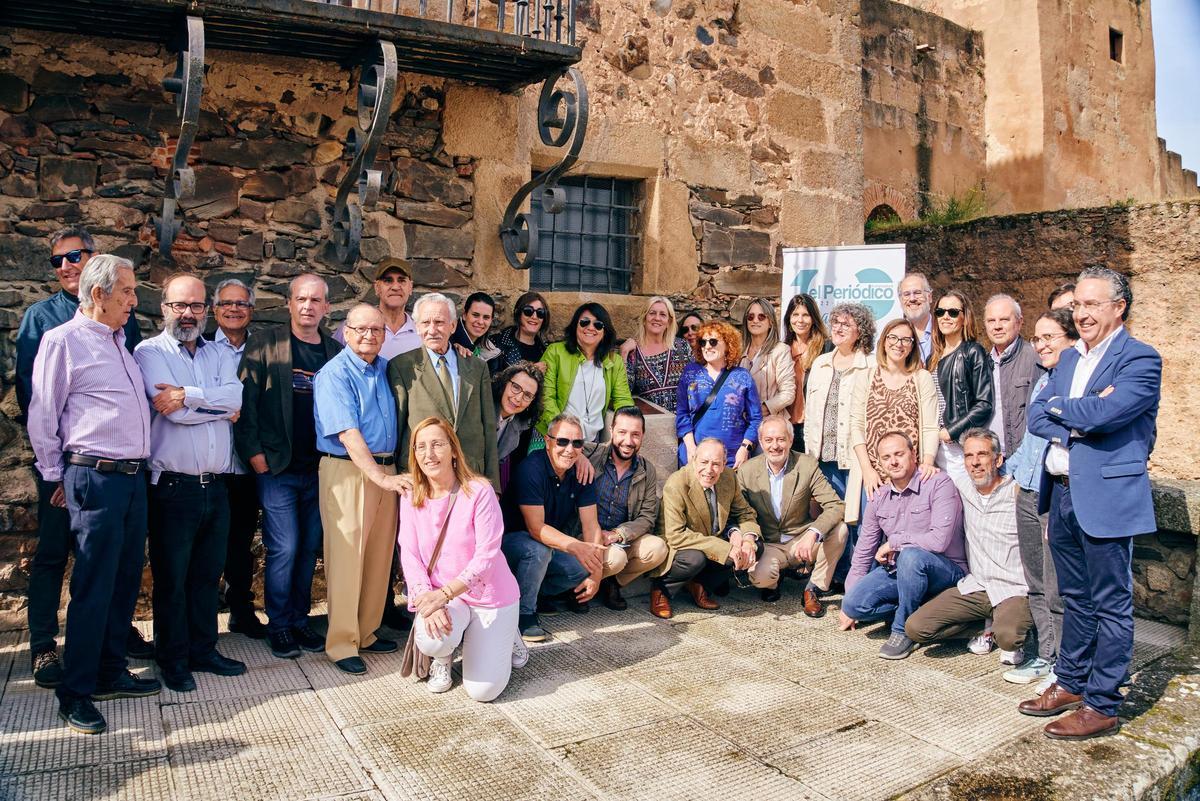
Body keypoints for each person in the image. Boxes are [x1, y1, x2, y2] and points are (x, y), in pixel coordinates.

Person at [1020, 267, 1161, 741]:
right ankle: (1071, 682)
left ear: (1118, 308)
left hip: (1106, 497)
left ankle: (1102, 704)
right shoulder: (1067, 359)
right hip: (1061, 492)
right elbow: (1036, 415)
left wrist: (1068, 409)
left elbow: (1108, 414)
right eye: (1077, 304)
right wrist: (1078, 416)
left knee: (1111, 605)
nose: (1081, 313)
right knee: (1074, 598)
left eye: (1092, 304)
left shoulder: (1140, 358)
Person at [28, 254, 160, 735]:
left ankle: (109, 671)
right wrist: (55, 477)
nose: (134, 299)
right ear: (99, 293)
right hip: (95, 477)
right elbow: (43, 414)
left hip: (132, 478)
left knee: (124, 580)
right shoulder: (62, 341)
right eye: (127, 291)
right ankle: (76, 692)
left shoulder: (121, 342)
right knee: (93, 584)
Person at [134, 274, 246, 692]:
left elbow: (235, 399)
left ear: (206, 311)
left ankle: (204, 649)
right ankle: (173, 659)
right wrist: (210, 405)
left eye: (196, 306)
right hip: (173, 487)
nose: (188, 313)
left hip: (216, 484)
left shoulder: (219, 352)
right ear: (164, 307)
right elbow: (174, 413)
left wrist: (187, 394)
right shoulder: (149, 352)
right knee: (173, 579)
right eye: (179, 305)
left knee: (206, 575)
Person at [235, 273, 342, 659]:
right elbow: (244, 400)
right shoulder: (266, 343)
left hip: (320, 469)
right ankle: (279, 625)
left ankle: (299, 619)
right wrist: (254, 454)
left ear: (326, 307)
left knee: (309, 547)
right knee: (285, 547)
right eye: (301, 299)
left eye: (315, 300)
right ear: (289, 303)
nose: (308, 306)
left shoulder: (334, 351)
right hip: (277, 468)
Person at [400, 417, 523, 700]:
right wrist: (427, 600)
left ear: (454, 450)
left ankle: (508, 635)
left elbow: (486, 557)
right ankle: (443, 657)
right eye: (421, 447)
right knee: (432, 640)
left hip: (489, 596)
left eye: (437, 444)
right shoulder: (410, 496)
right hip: (447, 598)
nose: (429, 454)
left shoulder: (479, 491)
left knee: (483, 692)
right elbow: (409, 554)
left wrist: (442, 595)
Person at [314, 304, 405, 675]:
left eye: (377, 330)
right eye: (361, 329)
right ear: (346, 333)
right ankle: (341, 643)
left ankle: (366, 631)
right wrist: (379, 477)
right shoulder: (334, 374)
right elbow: (348, 433)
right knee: (347, 559)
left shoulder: (385, 368)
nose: (369, 335)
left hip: (387, 469)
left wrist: (387, 475)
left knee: (379, 557)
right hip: (348, 470)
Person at [904, 429, 1033, 669]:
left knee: (1009, 638)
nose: (975, 462)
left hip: (1013, 588)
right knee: (916, 628)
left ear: (998, 459)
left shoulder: (1017, 493)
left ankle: (1007, 626)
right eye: (968, 456)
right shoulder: (961, 486)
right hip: (977, 586)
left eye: (982, 454)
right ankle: (983, 627)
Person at [1001, 308, 1076, 689]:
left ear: (1071, 340)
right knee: (1034, 581)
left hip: (1053, 493)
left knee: (1055, 585)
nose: (1041, 345)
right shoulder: (1043, 379)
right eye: (1038, 338)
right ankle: (1045, 655)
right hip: (1028, 489)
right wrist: (1009, 470)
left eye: (1050, 337)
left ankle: (1064, 663)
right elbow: (1033, 438)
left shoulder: (1074, 382)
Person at [840, 432, 966, 660]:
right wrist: (848, 604)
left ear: (913, 454)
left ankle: (902, 630)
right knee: (854, 604)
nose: (893, 462)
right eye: (886, 457)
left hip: (946, 571)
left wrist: (895, 542)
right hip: (901, 572)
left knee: (910, 556)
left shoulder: (938, 483)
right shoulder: (879, 496)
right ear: (879, 462)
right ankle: (918, 608)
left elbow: (939, 541)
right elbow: (864, 551)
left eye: (899, 454)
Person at [500, 414, 606, 642]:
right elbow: (536, 528)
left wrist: (596, 573)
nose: (569, 449)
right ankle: (524, 614)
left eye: (577, 443)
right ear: (548, 442)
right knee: (538, 550)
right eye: (562, 441)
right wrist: (576, 546)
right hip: (511, 544)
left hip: (548, 544)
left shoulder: (582, 472)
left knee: (582, 566)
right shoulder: (531, 468)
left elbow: (591, 525)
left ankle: (534, 593)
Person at [205, 278, 265, 639]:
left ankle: (241, 609)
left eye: (241, 304)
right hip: (209, 463)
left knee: (242, 541)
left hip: (245, 464)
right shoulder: (200, 349)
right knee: (205, 543)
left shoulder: (262, 349)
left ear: (251, 311)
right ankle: (200, 618)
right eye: (226, 303)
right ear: (215, 310)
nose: (233, 309)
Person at [388, 292, 499, 487]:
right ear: (417, 327)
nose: (432, 330)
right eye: (425, 323)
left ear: (453, 326)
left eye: (439, 322)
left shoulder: (477, 367)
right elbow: (397, 427)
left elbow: (489, 427)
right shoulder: (402, 366)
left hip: (471, 475)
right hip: (423, 476)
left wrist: (493, 484)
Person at [738, 417, 846, 615]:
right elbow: (740, 513)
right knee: (761, 577)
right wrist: (748, 539)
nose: (775, 446)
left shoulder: (806, 465)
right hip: (770, 544)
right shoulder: (747, 471)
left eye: (781, 439)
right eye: (768, 440)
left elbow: (835, 505)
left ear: (790, 440)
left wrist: (813, 533)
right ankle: (774, 580)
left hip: (801, 540)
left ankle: (813, 588)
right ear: (761, 442)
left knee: (841, 530)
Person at [804, 302, 876, 584]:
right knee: (832, 518)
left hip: (855, 457)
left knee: (859, 518)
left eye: (847, 324)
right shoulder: (820, 364)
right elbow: (810, 414)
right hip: (823, 457)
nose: (839, 328)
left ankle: (859, 578)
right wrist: (810, 456)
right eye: (835, 322)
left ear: (861, 331)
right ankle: (835, 574)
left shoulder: (870, 365)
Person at [652, 439, 761, 619]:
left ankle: (699, 584)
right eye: (704, 462)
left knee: (753, 549)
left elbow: (745, 512)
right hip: (679, 545)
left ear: (724, 464)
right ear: (694, 460)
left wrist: (748, 540)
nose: (709, 469)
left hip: (709, 538)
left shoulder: (728, 477)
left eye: (716, 464)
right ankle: (661, 590)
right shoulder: (676, 484)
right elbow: (676, 535)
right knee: (695, 559)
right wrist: (725, 548)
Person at [581, 406, 668, 610]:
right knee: (616, 558)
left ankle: (611, 582)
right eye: (622, 432)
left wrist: (617, 534)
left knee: (657, 548)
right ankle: (575, 586)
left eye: (635, 434)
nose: (628, 441)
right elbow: (566, 448)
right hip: (584, 535)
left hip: (618, 539)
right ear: (611, 431)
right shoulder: (591, 453)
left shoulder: (647, 470)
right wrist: (579, 458)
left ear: (643, 436)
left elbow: (647, 517)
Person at [849, 318, 939, 503]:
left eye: (906, 340)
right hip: (874, 478)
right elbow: (856, 426)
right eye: (893, 337)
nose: (899, 344)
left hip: (911, 477)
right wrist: (867, 470)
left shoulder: (921, 378)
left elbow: (930, 427)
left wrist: (927, 463)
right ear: (884, 341)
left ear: (912, 346)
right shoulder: (866, 377)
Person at [537, 303, 634, 444]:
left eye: (598, 325)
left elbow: (623, 400)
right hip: (552, 434)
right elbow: (545, 397)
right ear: (575, 326)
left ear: (605, 331)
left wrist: (628, 427)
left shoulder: (615, 361)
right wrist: (564, 434)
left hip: (592, 441)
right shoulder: (555, 352)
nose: (590, 327)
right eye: (584, 322)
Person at [676, 320, 762, 468]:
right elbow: (682, 414)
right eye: (703, 342)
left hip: (732, 459)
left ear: (728, 344)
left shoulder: (742, 376)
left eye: (713, 341)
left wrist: (745, 448)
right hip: (696, 456)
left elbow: (755, 418)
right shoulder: (690, 373)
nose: (707, 346)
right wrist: (690, 448)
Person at [928, 290, 993, 484]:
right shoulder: (932, 358)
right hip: (933, 446)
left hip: (958, 446)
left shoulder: (973, 352)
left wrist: (951, 431)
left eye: (953, 312)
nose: (945, 317)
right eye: (940, 312)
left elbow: (984, 404)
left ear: (965, 317)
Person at [983, 293, 1043, 456]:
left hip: (1023, 457)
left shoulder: (1035, 359)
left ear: (1019, 322)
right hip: (990, 457)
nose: (997, 326)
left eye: (1004, 319)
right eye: (991, 321)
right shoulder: (983, 362)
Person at [333, 258, 420, 360]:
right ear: (377, 287)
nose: (395, 287)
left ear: (410, 287)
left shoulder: (422, 332)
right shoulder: (354, 328)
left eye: (402, 280)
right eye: (388, 281)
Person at [619, 296, 692, 412]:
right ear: (644, 319)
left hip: (684, 419)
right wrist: (623, 352)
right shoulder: (634, 352)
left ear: (669, 322)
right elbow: (624, 391)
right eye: (652, 313)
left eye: (663, 314)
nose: (657, 318)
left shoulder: (682, 346)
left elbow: (697, 383)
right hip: (654, 420)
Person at [782, 293, 831, 444]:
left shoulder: (827, 349)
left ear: (814, 318)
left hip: (815, 426)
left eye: (806, 315)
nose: (800, 320)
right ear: (789, 319)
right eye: (795, 315)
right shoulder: (782, 350)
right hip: (786, 425)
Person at [739, 297, 796, 423]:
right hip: (740, 424)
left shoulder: (780, 350)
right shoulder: (738, 350)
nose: (755, 320)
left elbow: (788, 394)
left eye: (761, 317)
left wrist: (762, 409)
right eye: (750, 317)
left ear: (771, 322)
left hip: (770, 424)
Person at [492, 361, 544, 491]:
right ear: (505, 382)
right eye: (516, 387)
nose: (518, 398)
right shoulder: (483, 405)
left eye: (527, 395)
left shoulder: (521, 423)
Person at [488, 291, 550, 374]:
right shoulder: (496, 343)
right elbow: (490, 378)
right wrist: (531, 371)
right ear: (518, 313)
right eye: (528, 311)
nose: (534, 317)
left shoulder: (546, 351)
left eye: (540, 313)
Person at [451, 291, 500, 362]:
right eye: (475, 315)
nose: (480, 322)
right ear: (464, 315)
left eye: (486, 317)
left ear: (491, 320)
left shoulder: (492, 351)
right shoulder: (449, 344)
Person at [898, 273, 934, 365]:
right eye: (906, 294)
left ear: (929, 297)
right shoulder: (893, 337)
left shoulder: (943, 332)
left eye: (917, 293)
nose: (912, 299)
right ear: (900, 301)